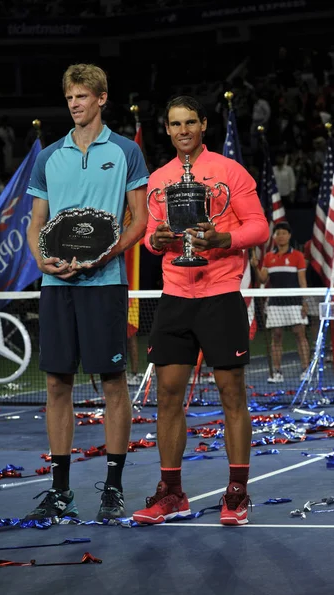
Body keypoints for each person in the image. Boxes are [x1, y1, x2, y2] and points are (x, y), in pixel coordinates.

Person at [132, 96, 269, 527]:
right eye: (175, 124)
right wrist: (158, 241)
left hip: (221, 293)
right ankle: (172, 494)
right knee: (168, 396)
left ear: (204, 124)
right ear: (167, 129)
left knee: (232, 394)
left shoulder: (231, 172)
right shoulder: (159, 179)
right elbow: (149, 236)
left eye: (190, 121)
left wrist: (220, 240)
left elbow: (259, 226)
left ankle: (237, 493)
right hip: (175, 296)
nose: (183, 130)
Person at [25, 63, 149, 522]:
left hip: (105, 282)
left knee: (113, 383)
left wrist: (107, 252)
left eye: (81, 95)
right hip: (57, 284)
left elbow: (140, 219)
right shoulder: (49, 157)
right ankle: (60, 491)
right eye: (69, 97)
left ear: (101, 98)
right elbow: (37, 222)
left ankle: (112, 489)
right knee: (57, 383)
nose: (74, 104)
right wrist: (41, 259)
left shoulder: (125, 152)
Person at [251, 222, 310, 383]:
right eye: (278, 234)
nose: (281, 236)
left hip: (294, 302)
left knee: (300, 334)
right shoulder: (269, 257)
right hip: (275, 303)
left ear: (289, 236)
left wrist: (305, 302)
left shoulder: (297, 256)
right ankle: (277, 372)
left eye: (284, 233)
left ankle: (306, 370)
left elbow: (302, 281)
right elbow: (263, 279)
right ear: (274, 237)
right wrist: (256, 267)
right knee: (276, 337)